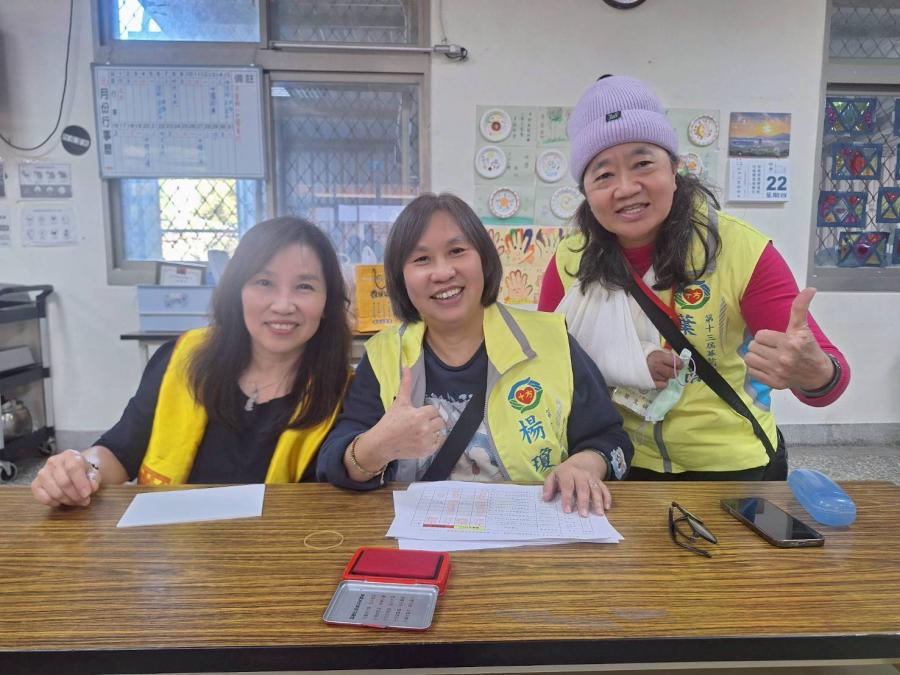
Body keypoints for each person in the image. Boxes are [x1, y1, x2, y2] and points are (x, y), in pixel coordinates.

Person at [538, 75, 850, 481]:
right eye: (603, 175)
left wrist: (815, 372)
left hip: (729, 465)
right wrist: (629, 364)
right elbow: (550, 364)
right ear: (586, 190)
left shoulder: (741, 250)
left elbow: (829, 380)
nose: (626, 188)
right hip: (618, 461)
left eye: (642, 163)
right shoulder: (570, 261)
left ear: (674, 168)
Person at [317, 193, 632, 516]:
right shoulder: (384, 355)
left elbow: (611, 439)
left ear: (484, 258)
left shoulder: (551, 340)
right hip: (421, 539)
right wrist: (376, 447)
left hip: (535, 535)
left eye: (457, 251)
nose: (443, 272)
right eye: (421, 259)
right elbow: (333, 463)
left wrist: (585, 464)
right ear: (400, 278)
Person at [32, 217, 351, 506]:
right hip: (172, 546)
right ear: (237, 291)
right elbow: (118, 452)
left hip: (274, 545)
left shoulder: (346, 393)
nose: (283, 305)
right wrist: (81, 469)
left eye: (304, 286)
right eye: (264, 282)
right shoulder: (182, 358)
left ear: (327, 302)